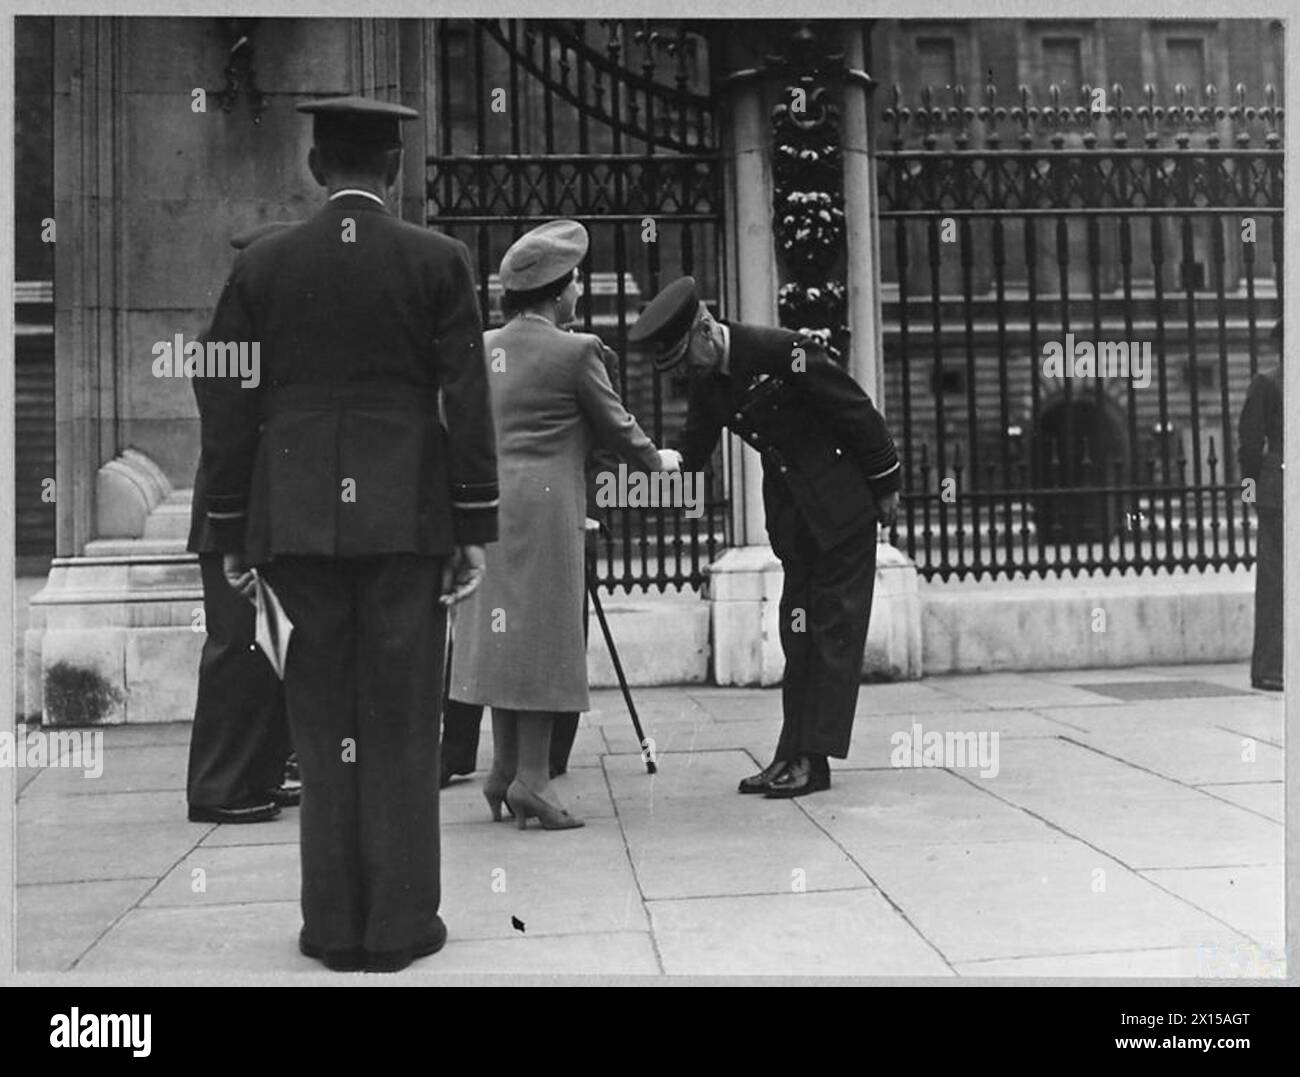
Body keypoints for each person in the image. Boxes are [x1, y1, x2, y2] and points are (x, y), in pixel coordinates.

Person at [198, 96, 498, 972]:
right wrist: (472, 523)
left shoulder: (262, 267)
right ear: (395, 169)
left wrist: (228, 526)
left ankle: (332, 926)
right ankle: (401, 925)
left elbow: (225, 397)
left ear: (317, 167)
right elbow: (468, 399)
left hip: (293, 521)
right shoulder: (440, 260)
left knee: (322, 723)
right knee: (404, 726)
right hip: (407, 518)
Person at [628, 276, 900, 798]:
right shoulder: (711, 383)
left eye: (686, 361)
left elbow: (856, 411)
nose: (686, 376)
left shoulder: (784, 351)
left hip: (843, 510)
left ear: (707, 330)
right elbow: (693, 451)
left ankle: (813, 761)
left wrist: (886, 484)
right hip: (797, 520)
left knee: (831, 636)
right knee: (798, 633)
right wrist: (644, 461)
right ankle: (789, 752)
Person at [448, 220, 677, 830]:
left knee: (502, 639)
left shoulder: (484, 345)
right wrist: (659, 460)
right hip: (549, 510)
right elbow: (616, 425)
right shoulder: (577, 351)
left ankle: (501, 773)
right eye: (575, 281)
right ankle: (534, 782)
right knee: (546, 640)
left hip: (490, 506)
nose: (579, 291)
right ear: (558, 290)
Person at [185, 222, 299, 826]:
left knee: (264, 652)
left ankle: (253, 775)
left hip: (253, 515)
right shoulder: (233, 344)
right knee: (236, 649)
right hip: (233, 518)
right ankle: (217, 787)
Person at [1239, 319, 1284, 692]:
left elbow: (1249, 453)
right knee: (1275, 584)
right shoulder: (1268, 383)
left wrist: (1253, 495)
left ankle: (1273, 668)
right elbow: (1250, 449)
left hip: (1274, 491)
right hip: (1277, 495)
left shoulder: (1268, 383)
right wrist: (1252, 497)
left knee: (1275, 583)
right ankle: (1269, 667)